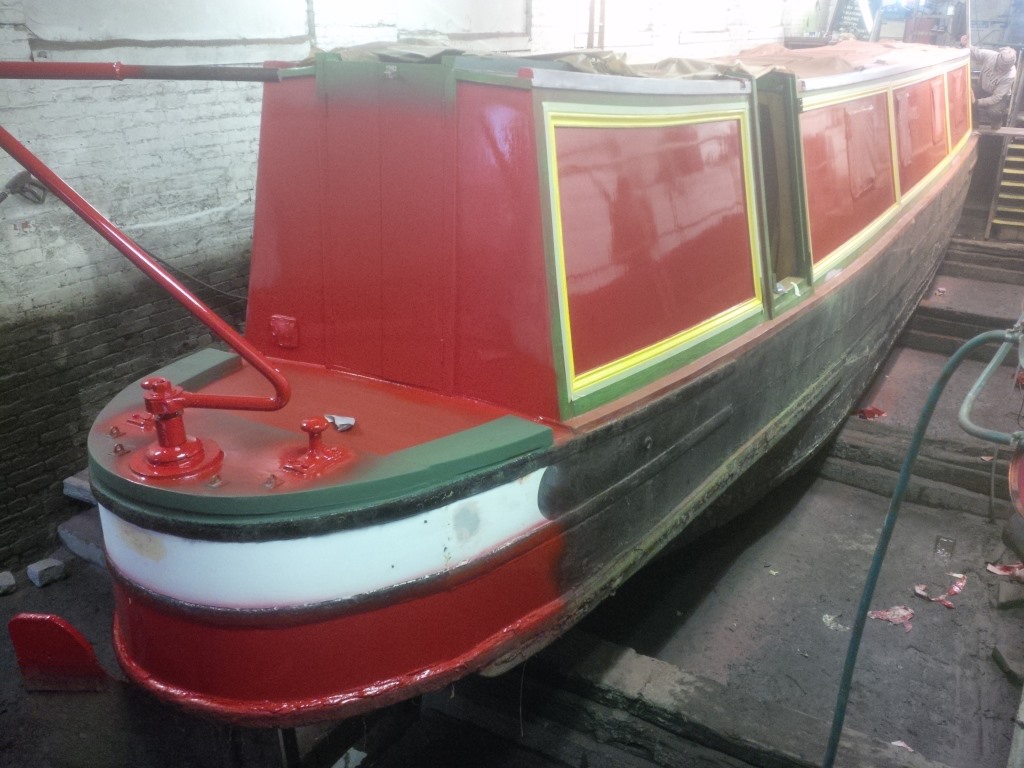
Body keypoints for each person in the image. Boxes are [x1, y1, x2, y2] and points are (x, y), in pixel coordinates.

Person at [961, 35, 1018, 128]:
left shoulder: (1010, 75)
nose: (1000, 70)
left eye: (1004, 69)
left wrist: (977, 102)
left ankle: (997, 124)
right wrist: (966, 44)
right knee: (967, 94)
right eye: (1000, 66)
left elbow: (996, 97)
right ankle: (974, 124)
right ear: (997, 58)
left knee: (994, 112)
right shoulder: (991, 55)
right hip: (982, 89)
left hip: (998, 97)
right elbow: (975, 52)